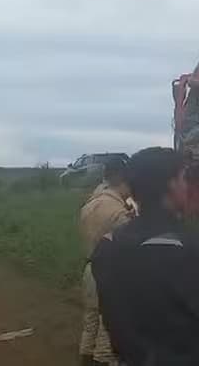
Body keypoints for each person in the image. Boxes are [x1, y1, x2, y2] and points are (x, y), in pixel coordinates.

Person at [91, 147, 199, 366]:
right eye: (183, 177)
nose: (188, 186)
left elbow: (114, 324)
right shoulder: (193, 252)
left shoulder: (107, 247)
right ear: (171, 185)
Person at [79, 157, 134, 366]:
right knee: (107, 329)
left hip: (90, 267)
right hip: (110, 273)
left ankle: (84, 360)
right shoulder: (118, 212)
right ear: (122, 177)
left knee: (90, 324)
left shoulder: (91, 203)